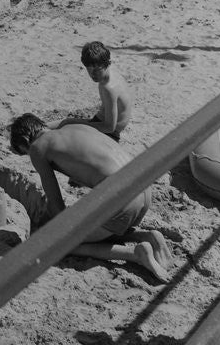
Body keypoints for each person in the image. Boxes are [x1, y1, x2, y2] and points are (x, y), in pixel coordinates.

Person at [10, 114, 173, 280]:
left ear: (25, 139)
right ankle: (148, 236)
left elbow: (57, 206)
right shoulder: (72, 126)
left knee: (64, 245)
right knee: (99, 228)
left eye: (24, 152)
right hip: (144, 190)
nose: (28, 155)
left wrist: (47, 231)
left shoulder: (38, 148)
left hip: (123, 198)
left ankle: (135, 254)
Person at [59, 42, 132, 140]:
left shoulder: (109, 88)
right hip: (103, 121)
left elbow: (110, 128)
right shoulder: (110, 72)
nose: (93, 74)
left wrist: (79, 124)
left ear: (107, 64)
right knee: (64, 123)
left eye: (97, 69)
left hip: (110, 134)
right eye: (89, 69)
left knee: (66, 126)